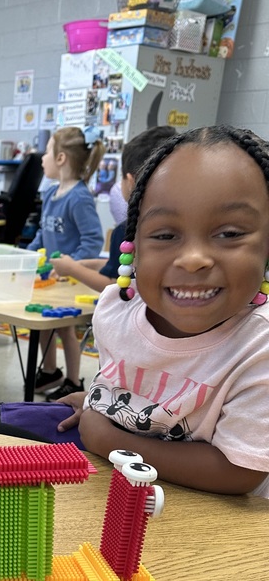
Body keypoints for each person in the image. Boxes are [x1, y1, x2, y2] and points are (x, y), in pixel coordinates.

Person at [56, 124, 269, 498]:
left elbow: (238, 471)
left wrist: (108, 438)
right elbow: (137, 385)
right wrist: (99, 402)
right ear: (133, 246)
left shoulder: (259, 348)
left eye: (230, 233)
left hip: (212, 536)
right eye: (166, 235)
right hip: (115, 506)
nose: (193, 259)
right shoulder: (117, 310)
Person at [27, 126, 105, 400]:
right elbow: (42, 233)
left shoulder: (79, 197)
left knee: (65, 327)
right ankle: (50, 372)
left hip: (70, 280)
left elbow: (93, 239)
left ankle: (73, 380)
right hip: (49, 276)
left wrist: (74, 269)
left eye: (47, 151)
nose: (42, 158)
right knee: (46, 322)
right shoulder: (50, 193)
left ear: (61, 158)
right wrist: (29, 253)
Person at [50, 126, 177, 293]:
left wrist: (73, 269)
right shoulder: (179, 227)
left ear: (131, 182)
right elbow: (128, 265)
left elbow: (114, 284)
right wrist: (87, 264)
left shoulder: (127, 231)